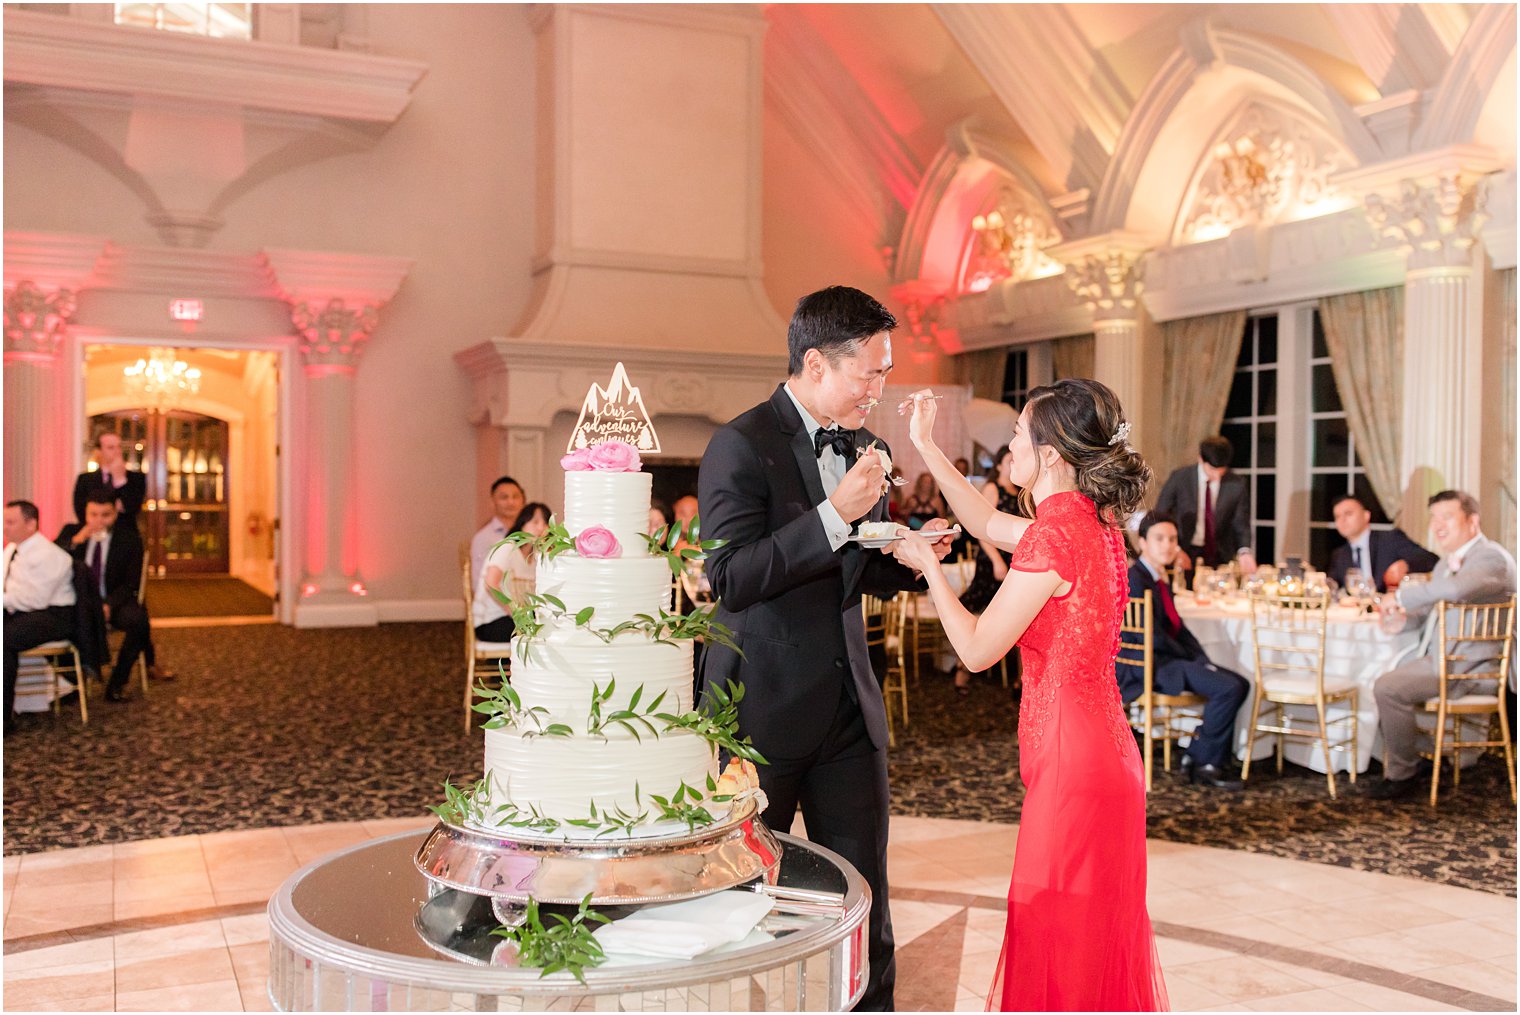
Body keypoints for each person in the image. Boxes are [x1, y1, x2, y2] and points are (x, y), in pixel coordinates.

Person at [697, 285, 952, 1011]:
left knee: (865, 892)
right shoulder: (740, 445)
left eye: (884, 370)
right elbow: (732, 577)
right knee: (748, 896)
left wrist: (902, 554)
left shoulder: (868, 447)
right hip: (759, 712)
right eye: (870, 372)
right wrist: (831, 514)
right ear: (815, 364)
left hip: (849, 708)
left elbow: (850, 565)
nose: (881, 388)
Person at [893, 378, 1168, 1012]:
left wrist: (929, 568)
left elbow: (977, 650)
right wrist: (925, 445)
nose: (1008, 445)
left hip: (1075, 766)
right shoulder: (1092, 525)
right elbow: (985, 519)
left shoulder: (1054, 535)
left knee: (1057, 935)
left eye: (1018, 434)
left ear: (1048, 455)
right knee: (1091, 942)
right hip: (1106, 757)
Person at [1367, 490, 1517, 800]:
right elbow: (1426, 613)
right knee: (1381, 677)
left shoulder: (1491, 557)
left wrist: (1400, 597)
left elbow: (1455, 589)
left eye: (1446, 517)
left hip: (1474, 669)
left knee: (1388, 687)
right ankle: (1420, 759)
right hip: (1443, 660)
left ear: (1472, 521)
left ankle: (1404, 774)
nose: (1437, 526)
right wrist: (1398, 617)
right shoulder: (1446, 564)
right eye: (1433, 518)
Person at [1124, 512, 1248, 789]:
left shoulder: (1158, 578)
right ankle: (1205, 762)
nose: (1167, 545)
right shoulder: (1137, 580)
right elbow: (1154, 638)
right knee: (1228, 688)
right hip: (1149, 664)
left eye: (1172, 539)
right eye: (1159, 539)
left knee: (1240, 682)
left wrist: (1201, 658)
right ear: (1143, 542)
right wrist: (1193, 659)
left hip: (1167, 657)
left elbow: (1178, 628)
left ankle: (1200, 752)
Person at [57, 490, 173, 701]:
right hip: (77, 602)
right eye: (93, 515)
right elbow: (52, 563)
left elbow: (131, 584)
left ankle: (117, 683)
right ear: (85, 513)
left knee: (139, 621)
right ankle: (73, 681)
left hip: (114, 600)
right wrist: (77, 541)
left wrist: (109, 605)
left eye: (105, 515)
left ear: (115, 514)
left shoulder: (128, 539)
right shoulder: (71, 532)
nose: (99, 521)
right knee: (50, 624)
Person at [951, 445, 1022, 695]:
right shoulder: (993, 489)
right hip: (992, 561)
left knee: (1018, 621)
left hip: (1016, 563)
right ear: (1000, 465)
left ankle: (1020, 681)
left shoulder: (1023, 493)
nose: (1014, 463)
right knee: (981, 619)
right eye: (1009, 460)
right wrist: (996, 561)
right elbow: (981, 531)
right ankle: (962, 673)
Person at [4, 500, 77, 731]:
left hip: (54, 616)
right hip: (22, 611)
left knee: (4, 642)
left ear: (31, 524)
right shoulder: (11, 549)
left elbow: (35, 600)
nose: (4, 527)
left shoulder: (50, 555)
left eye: (10, 522)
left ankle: (4, 718)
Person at [1152, 436, 1252, 571]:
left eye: (1221, 471)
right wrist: (1175, 549)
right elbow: (1161, 514)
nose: (1217, 476)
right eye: (1212, 469)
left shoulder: (1236, 483)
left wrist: (1244, 551)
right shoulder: (1180, 477)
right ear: (1200, 459)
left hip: (1219, 554)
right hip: (1184, 549)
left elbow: (1241, 523)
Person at [1326, 494, 1438, 593]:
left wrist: (1406, 565)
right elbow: (1331, 586)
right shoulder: (1340, 554)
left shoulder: (1390, 539)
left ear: (1366, 515)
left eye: (1348, 514)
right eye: (1337, 517)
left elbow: (1430, 559)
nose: (1342, 520)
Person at [473, 502, 551, 644]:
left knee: (550, 624)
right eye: (535, 522)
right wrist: (513, 610)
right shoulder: (507, 548)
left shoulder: (536, 557)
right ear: (522, 524)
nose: (541, 528)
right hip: (491, 621)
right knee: (543, 631)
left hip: (516, 618)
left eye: (545, 523)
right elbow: (490, 583)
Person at [72, 431, 146, 528]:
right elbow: (81, 513)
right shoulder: (85, 480)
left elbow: (132, 508)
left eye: (119, 446)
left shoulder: (136, 479)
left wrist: (120, 480)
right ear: (98, 451)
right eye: (111, 447)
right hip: (94, 536)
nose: (117, 451)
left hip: (125, 538)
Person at [469, 476, 526, 582]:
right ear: (492, 501)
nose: (511, 502)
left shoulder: (528, 535)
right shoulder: (483, 538)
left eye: (515, 496)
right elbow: (478, 582)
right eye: (504, 497)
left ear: (523, 500)